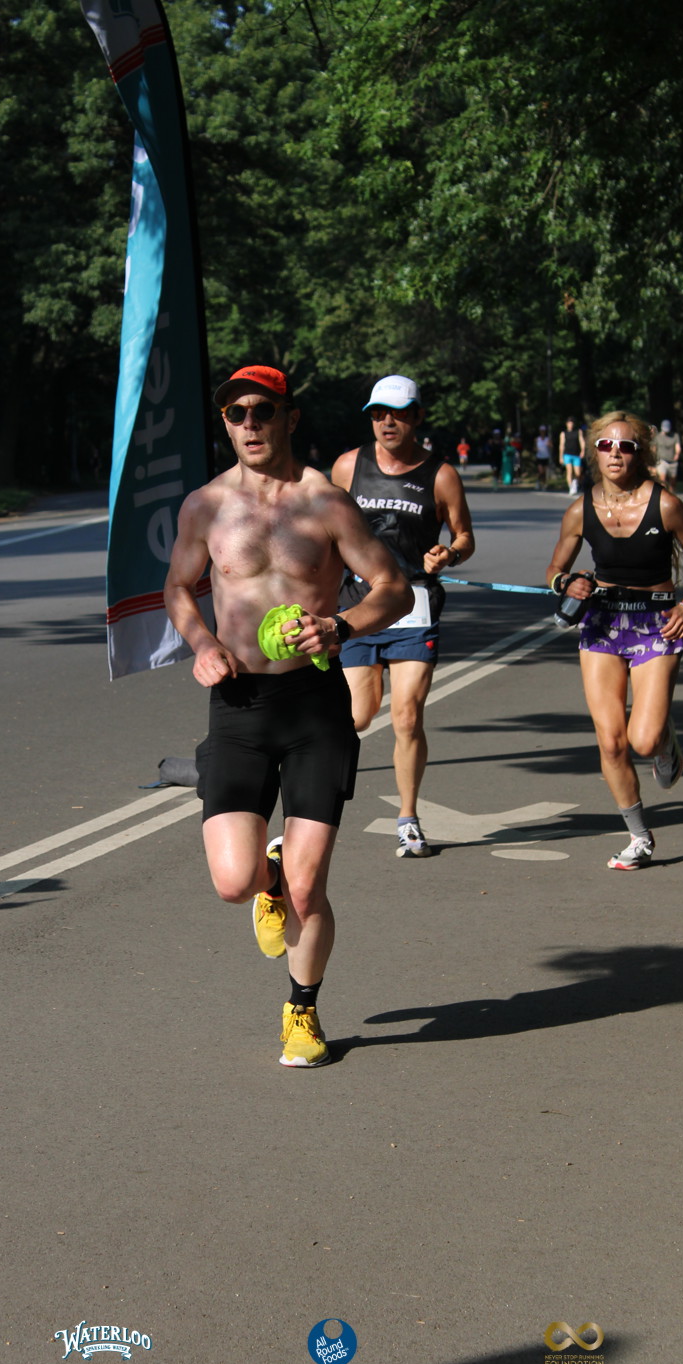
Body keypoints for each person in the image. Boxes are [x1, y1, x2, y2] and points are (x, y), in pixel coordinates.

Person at [164, 365, 412, 1068]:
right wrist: (202, 643)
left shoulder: (326, 503)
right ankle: (267, 879)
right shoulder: (205, 506)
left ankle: (302, 1011)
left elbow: (392, 587)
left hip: (313, 704)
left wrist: (341, 626)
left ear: (289, 418)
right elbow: (178, 587)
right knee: (233, 882)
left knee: (310, 887)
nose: (248, 423)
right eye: (235, 413)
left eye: (262, 410)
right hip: (239, 704)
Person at [545, 411, 683, 871]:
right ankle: (639, 836)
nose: (615, 453)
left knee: (643, 740)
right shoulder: (580, 510)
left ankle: (665, 742)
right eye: (606, 445)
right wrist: (567, 583)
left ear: (640, 454)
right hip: (602, 625)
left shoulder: (665, 506)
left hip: (656, 625)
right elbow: (554, 570)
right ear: (594, 452)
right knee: (610, 743)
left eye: (626, 446)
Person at [331, 374, 475, 859]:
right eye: (378, 413)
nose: (387, 422)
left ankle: (408, 820)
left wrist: (449, 554)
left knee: (407, 717)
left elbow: (464, 536)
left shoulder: (441, 474)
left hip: (413, 605)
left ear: (417, 416)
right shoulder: (348, 466)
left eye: (397, 413)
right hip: (359, 604)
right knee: (357, 716)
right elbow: (324, 528)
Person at [559, 417, 585, 495]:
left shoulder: (578, 431)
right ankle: (571, 487)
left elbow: (581, 441)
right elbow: (561, 445)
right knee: (569, 471)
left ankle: (575, 483)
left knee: (578, 473)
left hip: (576, 454)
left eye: (572, 423)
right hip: (567, 454)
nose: (570, 425)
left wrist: (583, 450)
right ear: (566, 424)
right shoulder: (563, 433)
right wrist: (560, 456)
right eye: (569, 423)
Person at [654, 418, 682, 490]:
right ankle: (663, 493)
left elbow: (678, 447)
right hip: (662, 460)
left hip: (672, 461)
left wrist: (677, 454)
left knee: (673, 482)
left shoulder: (675, 436)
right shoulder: (658, 437)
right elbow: (654, 449)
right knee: (662, 480)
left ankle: (671, 493)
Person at [534, 425, 552, 490]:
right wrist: (536, 449)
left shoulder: (547, 439)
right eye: (541, 431)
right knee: (540, 471)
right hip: (539, 457)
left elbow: (551, 446)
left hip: (546, 457)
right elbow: (534, 448)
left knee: (544, 472)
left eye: (543, 431)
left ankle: (544, 484)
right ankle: (538, 481)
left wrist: (549, 445)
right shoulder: (537, 439)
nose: (542, 432)